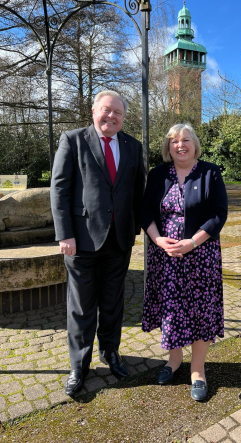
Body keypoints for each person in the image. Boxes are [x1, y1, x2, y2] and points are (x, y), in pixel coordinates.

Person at [50, 90, 144, 396]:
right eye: (107, 110)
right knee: (81, 307)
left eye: (118, 113)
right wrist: (65, 234)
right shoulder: (73, 139)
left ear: (123, 118)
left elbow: (138, 192)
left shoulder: (133, 146)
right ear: (94, 111)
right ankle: (79, 365)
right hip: (81, 241)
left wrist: (142, 230)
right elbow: (60, 189)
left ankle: (111, 352)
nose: (112, 117)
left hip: (119, 240)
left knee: (114, 302)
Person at [141, 123, 228, 401]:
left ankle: (198, 370)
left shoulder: (210, 172)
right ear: (168, 147)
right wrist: (157, 240)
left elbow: (218, 214)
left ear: (195, 144)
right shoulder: (157, 175)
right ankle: (174, 361)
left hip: (200, 255)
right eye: (174, 141)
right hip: (165, 258)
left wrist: (192, 242)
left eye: (186, 140)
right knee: (172, 309)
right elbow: (144, 212)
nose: (180, 145)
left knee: (200, 309)